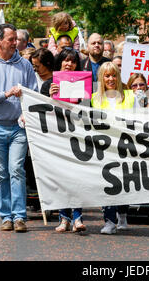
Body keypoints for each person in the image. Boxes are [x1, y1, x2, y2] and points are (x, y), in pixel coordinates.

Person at [0, 23, 38, 233]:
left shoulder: (25, 65)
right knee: (1, 174)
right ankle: (6, 216)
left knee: (16, 170)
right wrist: (6, 94)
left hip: (18, 128)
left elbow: (34, 92)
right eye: (11, 39)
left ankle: (20, 217)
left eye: (17, 39)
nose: (16, 43)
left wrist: (25, 110)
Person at [91, 62, 135, 234]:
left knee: (123, 182)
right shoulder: (94, 98)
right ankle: (109, 220)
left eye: (114, 75)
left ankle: (122, 214)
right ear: (101, 78)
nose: (110, 79)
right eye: (107, 75)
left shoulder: (130, 96)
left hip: (124, 147)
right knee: (107, 183)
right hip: (104, 148)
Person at [47, 48, 87, 233]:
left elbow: (88, 109)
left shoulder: (84, 83)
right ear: (59, 62)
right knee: (61, 178)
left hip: (77, 136)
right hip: (57, 136)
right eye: (65, 60)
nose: (69, 64)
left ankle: (77, 217)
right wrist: (50, 96)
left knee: (77, 178)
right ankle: (64, 218)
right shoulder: (49, 84)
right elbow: (42, 111)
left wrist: (82, 100)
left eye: (72, 61)